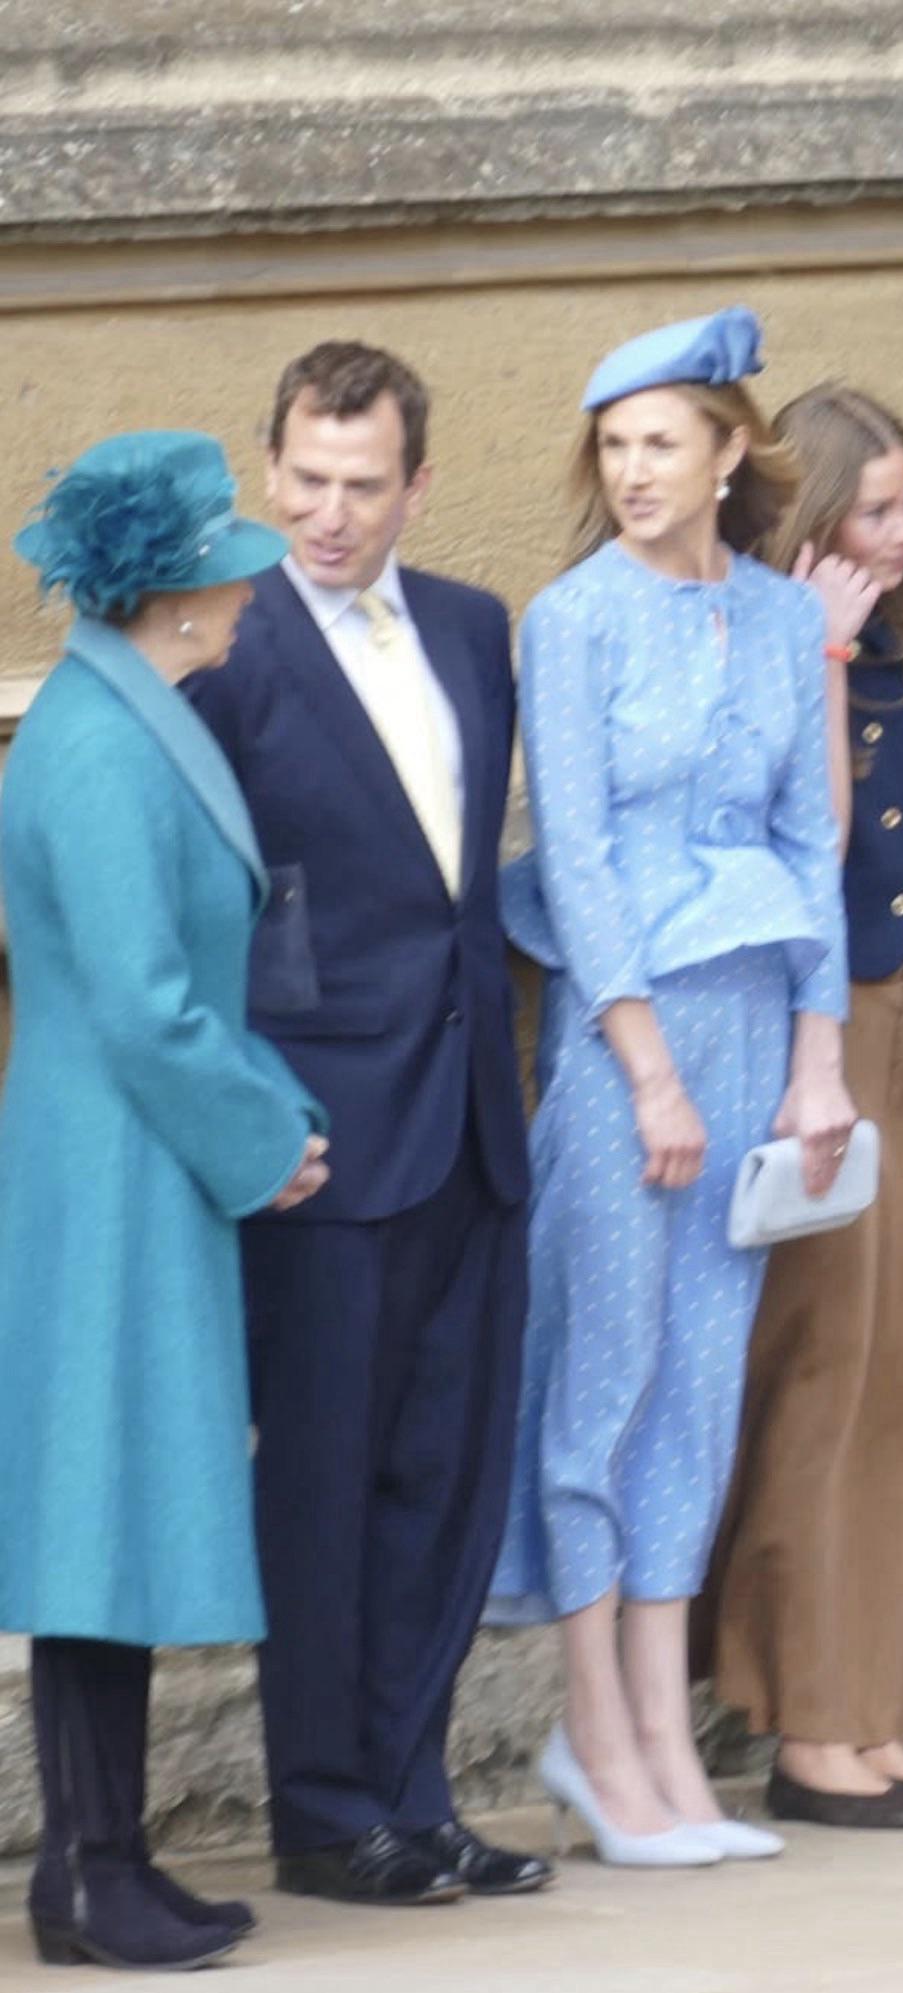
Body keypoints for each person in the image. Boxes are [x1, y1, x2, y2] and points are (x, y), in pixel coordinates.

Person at [488, 308, 855, 1865]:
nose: (635, 472)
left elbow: (810, 843)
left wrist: (819, 1057)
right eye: (614, 447)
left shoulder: (780, 618)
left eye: (661, 443)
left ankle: (664, 1734)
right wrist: (644, 1067)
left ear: (728, 454)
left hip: (757, 1022)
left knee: (700, 1385)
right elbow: (572, 856)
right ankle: (595, 1729)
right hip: (619, 1037)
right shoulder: (570, 620)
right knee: (606, 1372)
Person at [183, 344, 547, 1905]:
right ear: (270, 469)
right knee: (323, 1488)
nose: (327, 513)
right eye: (305, 479)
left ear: (418, 485)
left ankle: (414, 1789)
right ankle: (327, 1813)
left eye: (361, 484)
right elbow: (211, 907)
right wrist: (257, 1113)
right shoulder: (225, 647)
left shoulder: (471, 627)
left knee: (445, 1477)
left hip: (470, 1120)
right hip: (322, 1138)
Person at [0, 431, 329, 1970]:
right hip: (115, 1161)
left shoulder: (123, 716)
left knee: (114, 1506)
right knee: (95, 1512)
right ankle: (89, 1866)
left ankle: (105, 1859)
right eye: (233, 566)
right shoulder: (97, 745)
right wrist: (263, 1140)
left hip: (132, 1154)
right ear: (174, 591)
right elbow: (140, 1002)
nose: (255, 589)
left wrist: (263, 1114)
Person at [703, 384, 903, 1829]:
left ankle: (882, 1714)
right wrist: (821, 654)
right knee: (823, 1374)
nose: (902, 533)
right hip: (809, 1042)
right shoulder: (762, 644)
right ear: (812, 517)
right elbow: (811, 836)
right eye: (874, 510)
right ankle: (808, 1724)